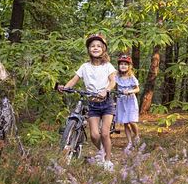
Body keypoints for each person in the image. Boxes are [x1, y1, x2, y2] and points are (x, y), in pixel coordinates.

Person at [58, 33, 116, 171]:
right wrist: (66, 87)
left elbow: (113, 81)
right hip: (93, 105)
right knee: (94, 135)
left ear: (103, 49)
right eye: (92, 46)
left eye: (98, 46)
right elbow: (74, 79)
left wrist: (106, 90)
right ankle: (102, 151)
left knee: (105, 133)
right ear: (89, 49)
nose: (95, 48)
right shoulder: (84, 67)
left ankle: (108, 161)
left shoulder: (108, 66)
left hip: (106, 103)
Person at [115, 54, 140, 150]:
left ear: (129, 66)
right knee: (125, 122)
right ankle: (129, 142)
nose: (123, 66)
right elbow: (113, 86)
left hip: (130, 101)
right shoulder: (117, 77)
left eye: (125, 64)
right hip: (121, 101)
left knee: (132, 121)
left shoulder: (131, 77)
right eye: (121, 64)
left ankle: (137, 135)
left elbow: (137, 89)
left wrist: (129, 92)